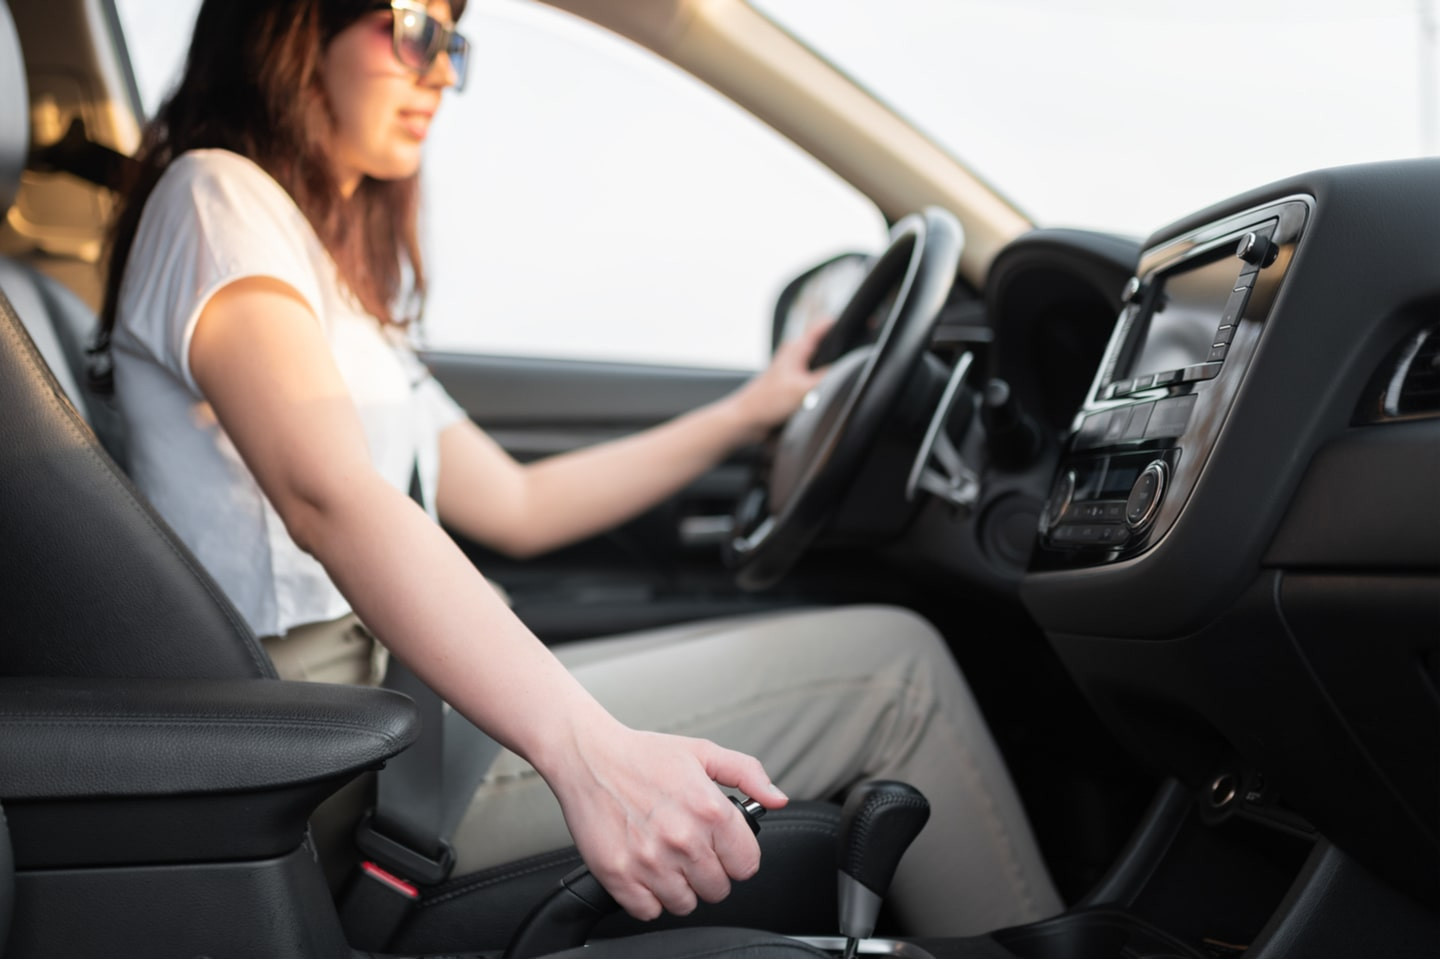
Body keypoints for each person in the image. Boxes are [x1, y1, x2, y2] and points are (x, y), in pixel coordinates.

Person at [99, 0, 1062, 937]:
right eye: (414, 29)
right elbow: (329, 497)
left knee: (889, 651)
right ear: (291, 22)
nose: (441, 71)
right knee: (900, 671)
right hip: (339, 756)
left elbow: (519, 503)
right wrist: (587, 753)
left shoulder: (331, 284)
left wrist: (751, 410)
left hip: (397, 709)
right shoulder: (215, 196)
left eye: (455, 42)